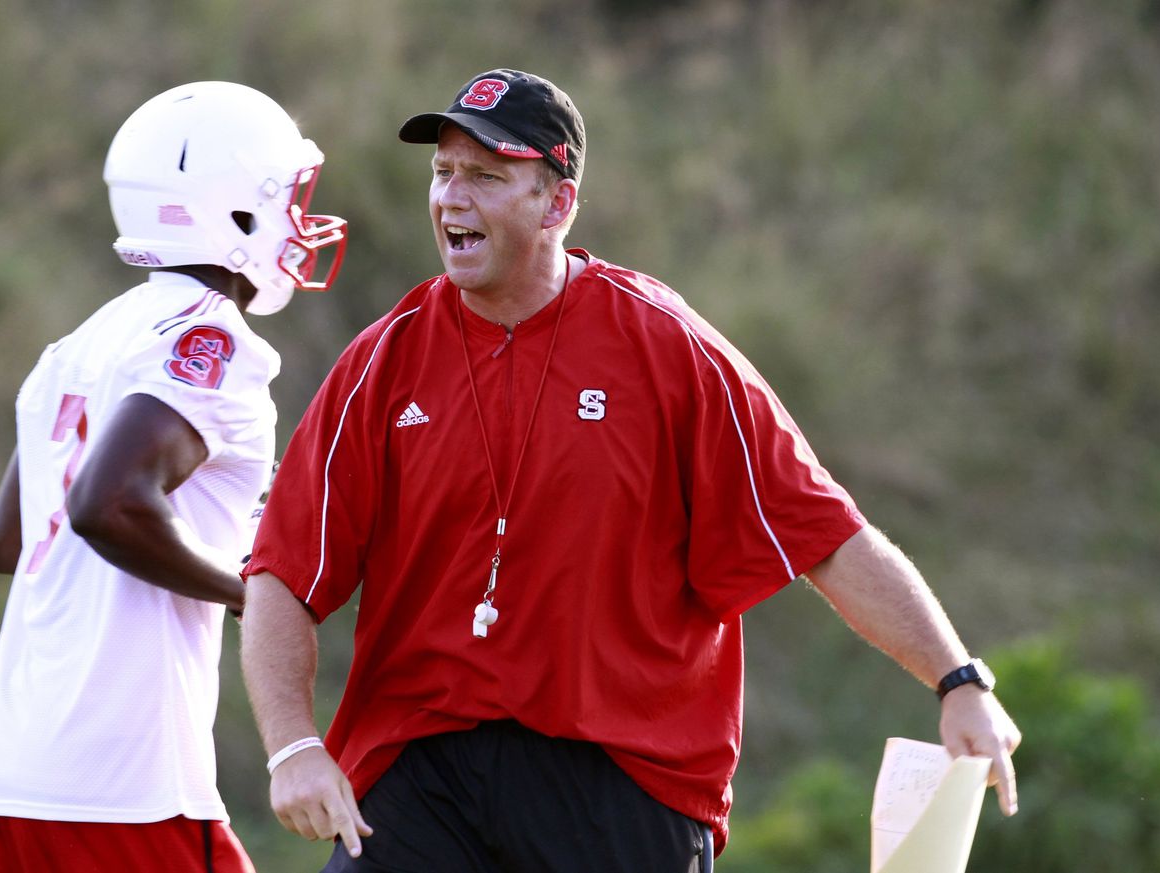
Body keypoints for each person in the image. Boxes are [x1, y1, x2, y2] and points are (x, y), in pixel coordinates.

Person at [240, 69, 1020, 872]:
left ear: (558, 202)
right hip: (421, 767)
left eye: (486, 175)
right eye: (442, 173)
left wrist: (957, 678)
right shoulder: (382, 360)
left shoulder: (667, 348)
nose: (451, 199)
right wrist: (293, 745)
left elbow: (821, 533)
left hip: (621, 775)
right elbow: (283, 572)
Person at [0, 81, 347, 873]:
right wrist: (251, 595)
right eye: (288, 198)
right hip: (119, 778)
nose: (300, 220)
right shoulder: (211, 336)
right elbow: (104, 504)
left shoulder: (80, 342)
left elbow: (11, 539)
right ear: (236, 209)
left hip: (8, 772)